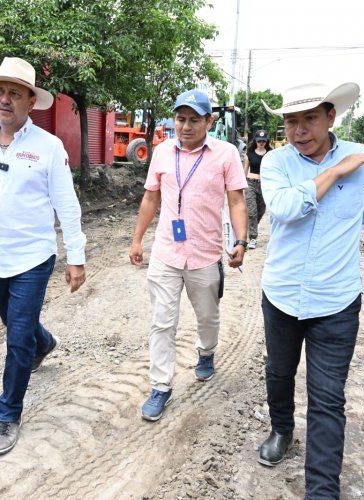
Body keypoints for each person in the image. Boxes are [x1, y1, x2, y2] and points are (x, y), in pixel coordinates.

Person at [258, 82, 364, 498]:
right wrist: (337, 170)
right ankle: (282, 430)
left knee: (327, 397)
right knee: (279, 372)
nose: (299, 129)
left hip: (336, 301)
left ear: (330, 118)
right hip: (283, 295)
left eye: (309, 119)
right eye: (291, 121)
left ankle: (322, 491)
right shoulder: (276, 163)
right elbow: (285, 210)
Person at [0, 57, 87, 455]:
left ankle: (7, 415)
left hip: (33, 259)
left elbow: (67, 205)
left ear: (29, 102)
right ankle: (44, 342)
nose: (4, 100)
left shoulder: (48, 147)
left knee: (16, 339)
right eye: (0, 92)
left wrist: (77, 256)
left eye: (14, 93)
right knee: (15, 324)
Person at [129, 89, 248, 422]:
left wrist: (242, 240)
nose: (186, 126)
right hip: (166, 252)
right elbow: (150, 199)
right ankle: (161, 387)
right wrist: (137, 240)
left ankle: (206, 352)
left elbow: (237, 201)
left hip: (205, 254)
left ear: (209, 121)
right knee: (162, 323)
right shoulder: (162, 152)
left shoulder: (225, 155)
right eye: (181, 119)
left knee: (207, 317)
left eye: (194, 119)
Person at [244, 129, 271, 249]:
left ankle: (251, 227)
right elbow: (244, 171)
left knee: (261, 211)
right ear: (255, 141)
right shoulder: (249, 154)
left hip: (265, 185)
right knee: (252, 211)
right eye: (259, 141)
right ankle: (253, 237)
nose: (261, 143)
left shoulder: (271, 154)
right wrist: (241, 186)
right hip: (250, 183)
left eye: (263, 141)